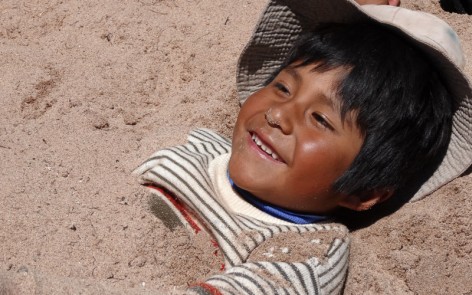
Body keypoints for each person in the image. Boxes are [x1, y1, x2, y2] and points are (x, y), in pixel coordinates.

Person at [134, 0, 472, 294]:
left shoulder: (308, 248)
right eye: (282, 87)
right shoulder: (206, 144)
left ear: (363, 192)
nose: (279, 113)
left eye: (321, 120)